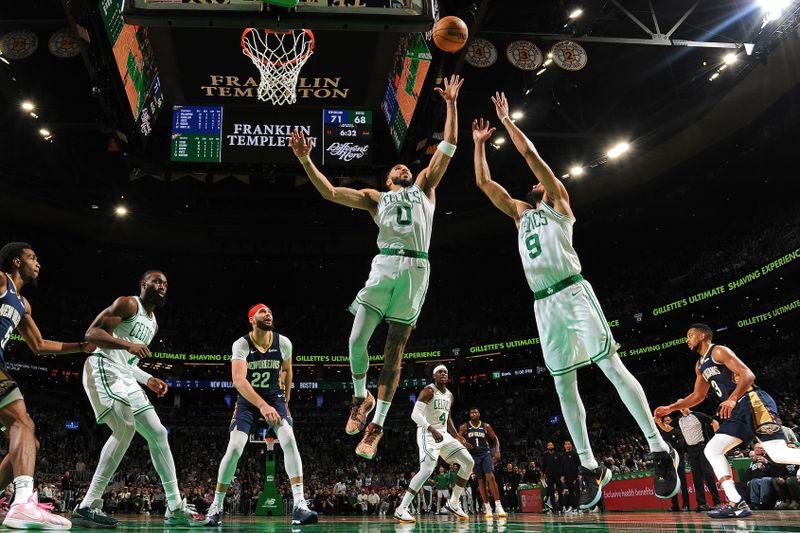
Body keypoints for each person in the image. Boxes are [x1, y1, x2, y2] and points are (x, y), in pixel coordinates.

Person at [472, 95, 680, 511]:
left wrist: (507, 124)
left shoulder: (559, 203)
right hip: (543, 305)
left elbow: (531, 156)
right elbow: (483, 185)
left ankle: (659, 449)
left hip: (572, 291)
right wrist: (478, 144)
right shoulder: (519, 214)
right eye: (532, 185)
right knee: (563, 384)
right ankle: (589, 466)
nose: (532, 185)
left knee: (611, 367)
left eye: (537, 183)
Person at [289, 75, 464, 459]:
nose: (404, 168)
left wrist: (451, 103)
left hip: (417, 269)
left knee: (394, 353)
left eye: (406, 166)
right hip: (384, 265)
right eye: (397, 168)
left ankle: (377, 425)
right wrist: (304, 157)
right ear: (387, 180)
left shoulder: (424, 188)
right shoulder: (375, 198)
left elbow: (448, 146)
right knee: (355, 342)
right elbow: (331, 192)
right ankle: (359, 398)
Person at [74, 270, 208, 528]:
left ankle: (174, 506)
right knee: (125, 427)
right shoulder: (128, 303)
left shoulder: (154, 323)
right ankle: (88, 504)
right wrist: (127, 346)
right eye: (157, 281)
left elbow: (130, 362)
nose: (162, 286)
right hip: (103, 366)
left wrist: (148, 379)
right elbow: (91, 335)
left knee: (159, 433)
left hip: (124, 374)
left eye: (166, 284)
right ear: (143, 284)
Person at [654, 323, 800, 518]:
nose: (687, 340)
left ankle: (736, 502)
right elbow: (698, 396)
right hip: (737, 409)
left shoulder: (719, 351)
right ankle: (736, 502)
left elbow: (748, 374)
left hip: (753, 401)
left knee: (778, 453)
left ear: (703, 335)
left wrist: (732, 398)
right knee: (713, 450)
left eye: (690, 335)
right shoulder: (700, 365)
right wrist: (672, 407)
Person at [0, 242, 94, 529]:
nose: (37, 263)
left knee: (28, 442)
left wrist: (81, 346)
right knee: (23, 424)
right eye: (32, 258)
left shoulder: (22, 303)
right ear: (17, 262)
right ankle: (23, 503)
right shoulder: (0, 280)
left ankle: (21, 501)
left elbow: (39, 346)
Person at [205, 304, 317, 526]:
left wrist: (285, 402)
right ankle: (216, 506)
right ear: (251, 320)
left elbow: (288, 372)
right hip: (248, 401)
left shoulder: (283, 342)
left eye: (270, 312)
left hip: (275, 399)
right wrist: (262, 405)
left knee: (289, 439)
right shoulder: (241, 344)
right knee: (235, 446)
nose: (268, 314)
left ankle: (299, 505)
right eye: (262, 312)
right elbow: (238, 380)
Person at [392, 366, 474, 523]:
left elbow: (447, 416)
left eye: (446, 372)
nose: (443, 374)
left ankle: (454, 502)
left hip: (443, 434)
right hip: (427, 433)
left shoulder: (450, 395)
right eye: (440, 372)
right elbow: (415, 415)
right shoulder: (428, 391)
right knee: (427, 469)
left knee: (468, 462)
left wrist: (456, 435)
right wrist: (432, 429)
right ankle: (401, 509)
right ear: (434, 376)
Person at [458, 407, 506, 517]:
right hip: (473, 456)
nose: (474, 414)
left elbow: (495, 438)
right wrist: (464, 442)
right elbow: (457, 437)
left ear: (479, 414)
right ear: (469, 415)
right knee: (481, 482)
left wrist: (497, 450)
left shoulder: (486, 426)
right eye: (472, 412)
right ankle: (487, 507)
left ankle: (498, 506)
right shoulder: (465, 426)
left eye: (475, 412)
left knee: (490, 477)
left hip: (485, 453)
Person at [677, 408, 722, 511]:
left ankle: (717, 502)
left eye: (685, 404)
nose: (683, 407)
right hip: (690, 450)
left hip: (703, 447)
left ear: (688, 405)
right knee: (696, 477)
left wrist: (716, 440)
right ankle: (702, 504)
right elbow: (668, 428)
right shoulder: (679, 420)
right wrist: (657, 420)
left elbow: (715, 422)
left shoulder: (697, 415)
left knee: (708, 474)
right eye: (680, 406)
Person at [655, 414, 690, 511]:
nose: (667, 422)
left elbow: (680, 446)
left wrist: (669, 447)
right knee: (671, 482)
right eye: (665, 421)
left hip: (679, 460)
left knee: (683, 483)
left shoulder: (678, 432)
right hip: (668, 462)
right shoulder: (662, 434)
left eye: (669, 420)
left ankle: (686, 505)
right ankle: (675, 506)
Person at [541, 442, 561, 512]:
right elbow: (543, 466)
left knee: (559, 491)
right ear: (547, 447)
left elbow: (561, 465)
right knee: (551, 491)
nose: (550, 446)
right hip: (549, 476)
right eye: (549, 445)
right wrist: (542, 474)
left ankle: (560, 508)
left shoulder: (558, 455)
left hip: (558, 475)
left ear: (553, 446)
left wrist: (562, 475)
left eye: (551, 445)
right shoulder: (545, 455)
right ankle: (554, 508)